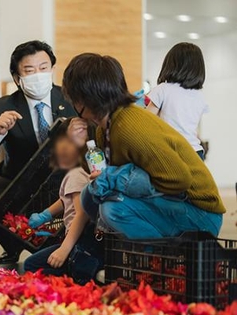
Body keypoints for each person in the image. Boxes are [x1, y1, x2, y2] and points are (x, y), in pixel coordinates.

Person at [62, 53, 225, 239]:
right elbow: (98, 171)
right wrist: (80, 144)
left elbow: (178, 180)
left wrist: (115, 178)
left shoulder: (129, 127)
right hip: (177, 203)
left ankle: (161, 255)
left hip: (201, 213)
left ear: (85, 99)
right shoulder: (104, 128)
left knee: (114, 209)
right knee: (89, 196)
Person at [0, 41, 77, 267]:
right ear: (17, 78)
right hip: (18, 181)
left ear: (52, 69)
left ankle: (60, 248)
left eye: (44, 68)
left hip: (63, 180)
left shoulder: (71, 99)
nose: (38, 75)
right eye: (30, 70)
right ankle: (12, 246)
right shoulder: (2, 106)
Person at [23, 120, 102, 284]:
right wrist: (45, 215)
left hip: (80, 240)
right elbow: (68, 197)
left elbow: (82, 214)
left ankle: (84, 273)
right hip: (82, 239)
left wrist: (64, 249)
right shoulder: (81, 171)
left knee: (32, 265)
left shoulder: (77, 174)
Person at [146, 42, 208, 160]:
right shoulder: (199, 95)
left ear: (170, 64)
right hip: (195, 153)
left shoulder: (163, 89)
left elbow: (146, 121)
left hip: (172, 152)